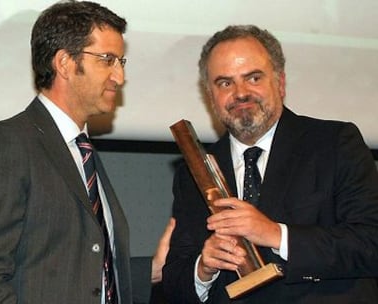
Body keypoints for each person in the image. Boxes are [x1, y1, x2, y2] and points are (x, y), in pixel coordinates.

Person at [0, 1, 174, 303]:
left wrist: (152, 270)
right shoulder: (9, 142)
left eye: (121, 62)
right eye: (107, 59)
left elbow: (78, 271)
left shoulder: (83, 153)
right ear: (64, 63)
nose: (120, 77)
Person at [162, 24, 378, 303]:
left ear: (280, 82)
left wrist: (276, 235)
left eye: (253, 78)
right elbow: (174, 283)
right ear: (210, 95)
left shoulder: (334, 143)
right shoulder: (193, 172)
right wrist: (203, 268)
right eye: (225, 83)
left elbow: (371, 243)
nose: (240, 93)